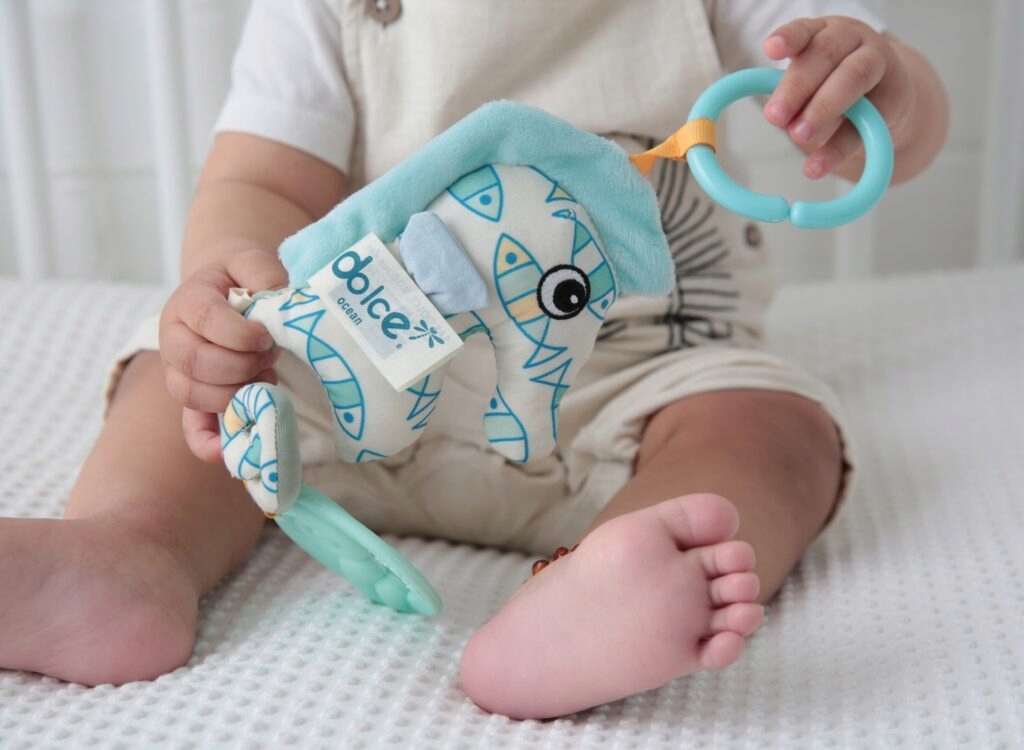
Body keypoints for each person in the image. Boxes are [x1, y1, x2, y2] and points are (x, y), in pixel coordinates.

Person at [0, 0, 947, 720]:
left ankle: (582, 596)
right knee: (182, 378)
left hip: (632, 371)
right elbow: (262, 179)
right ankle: (135, 552)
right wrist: (228, 294)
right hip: (365, 351)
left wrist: (883, 90)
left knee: (772, 426)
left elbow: (892, 137)